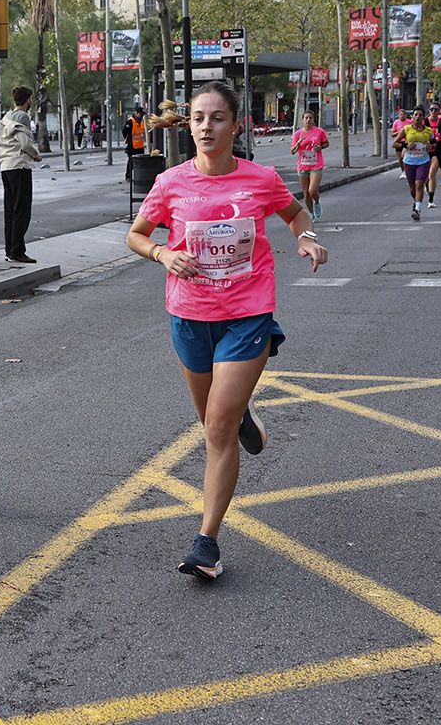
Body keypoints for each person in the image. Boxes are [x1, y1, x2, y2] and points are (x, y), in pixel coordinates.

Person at [127, 81, 328, 580]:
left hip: (247, 313)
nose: (206, 127)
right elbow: (136, 235)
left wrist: (306, 239)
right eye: (198, 118)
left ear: (236, 125)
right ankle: (241, 418)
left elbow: (296, 214)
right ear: (188, 124)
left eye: (217, 118)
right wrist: (163, 253)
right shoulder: (171, 182)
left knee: (216, 429)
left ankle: (207, 542)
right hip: (190, 316)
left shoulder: (260, 178)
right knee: (213, 421)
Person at [0, 86, 43, 264]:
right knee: (22, 212)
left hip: (6, 167)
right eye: (30, 98)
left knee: (10, 211)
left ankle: (10, 250)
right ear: (28, 100)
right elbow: (25, 143)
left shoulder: (6, 117)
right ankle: (18, 251)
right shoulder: (23, 117)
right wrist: (36, 155)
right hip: (19, 167)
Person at [395, 106, 436, 221]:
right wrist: (406, 146)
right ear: (412, 117)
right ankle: (415, 201)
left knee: (419, 184)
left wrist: (430, 146)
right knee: (412, 187)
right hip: (409, 161)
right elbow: (395, 143)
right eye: (416, 115)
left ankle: (417, 209)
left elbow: (434, 144)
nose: (418, 117)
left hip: (423, 161)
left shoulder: (428, 131)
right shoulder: (406, 129)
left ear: (423, 117)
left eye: (420, 115)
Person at [290, 110, 329, 221]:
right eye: (306, 118)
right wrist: (298, 143)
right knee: (306, 193)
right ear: (302, 120)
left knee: (312, 191)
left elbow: (326, 143)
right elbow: (292, 151)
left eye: (310, 118)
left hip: (316, 165)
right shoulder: (297, 134)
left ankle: (316, 202)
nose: (308, 120)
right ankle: (311, 213)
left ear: (313, 120)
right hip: (303, 166)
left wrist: (320, 147)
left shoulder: (319, 132)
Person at [124, 105, 147, 181]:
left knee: (140, 162)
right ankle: (128, 176)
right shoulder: (130, 121)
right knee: (131, 162)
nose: (142, 116)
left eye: (142, 114)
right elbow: (124, 131)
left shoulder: (141, 121)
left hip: (140, 145)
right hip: (132, 145)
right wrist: (128, 139)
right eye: (141, 114)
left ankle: (138, 176)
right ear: (136, 113)